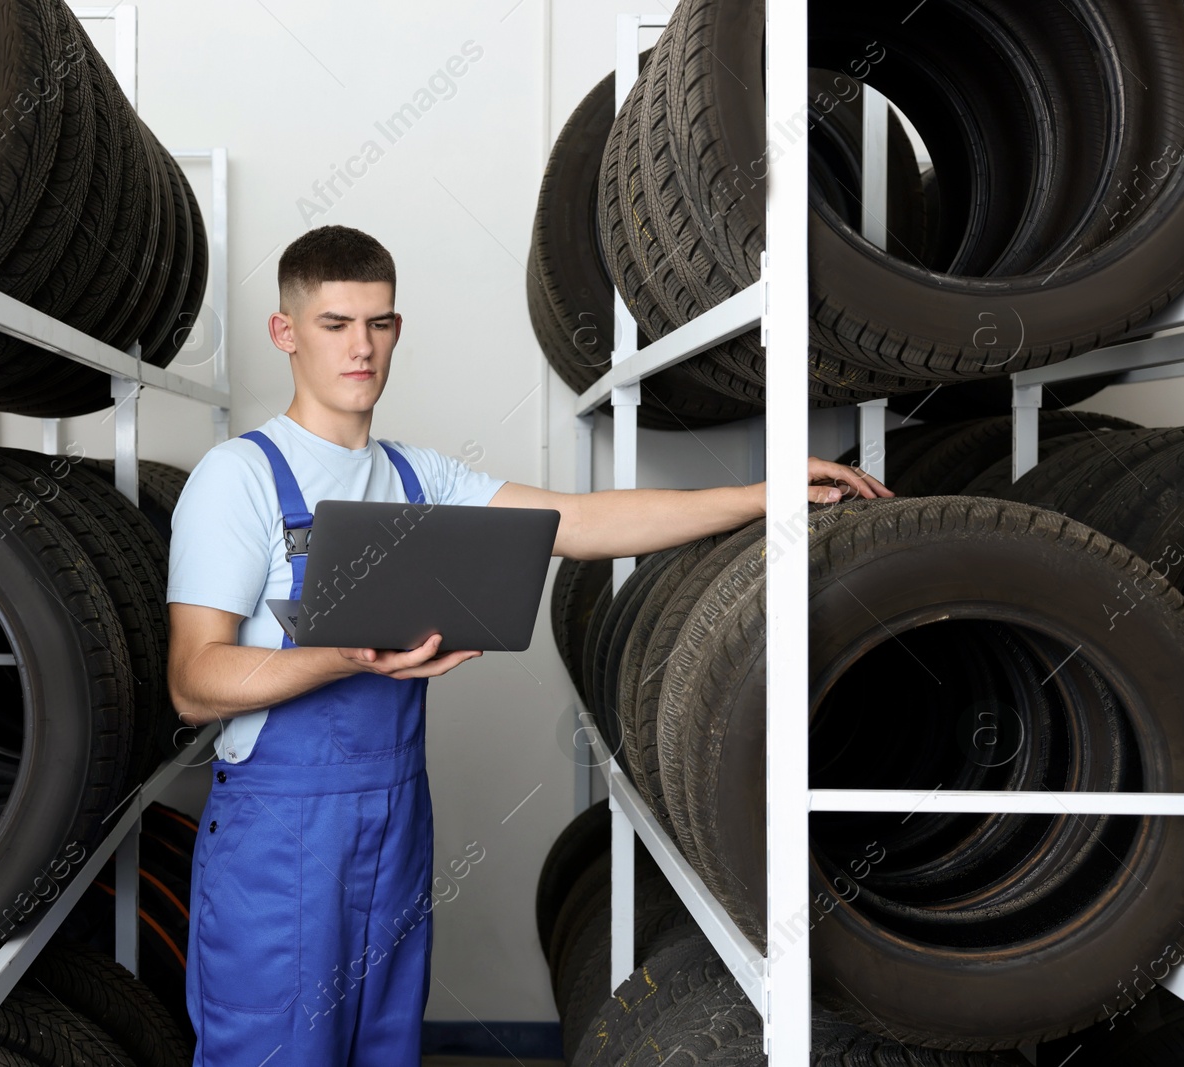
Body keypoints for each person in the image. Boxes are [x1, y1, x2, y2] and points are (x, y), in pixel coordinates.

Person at [164, 224, 892, 1066]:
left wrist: (759, 494)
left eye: (380, 323)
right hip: (279, 838)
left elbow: (577, 523)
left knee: (384, 1051)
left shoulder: (417, 479)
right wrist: (342, 656)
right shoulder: (240, 478)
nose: (362, 348)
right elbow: (193, 679)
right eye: (335, 325)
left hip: (396, 821)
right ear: (285, 332)